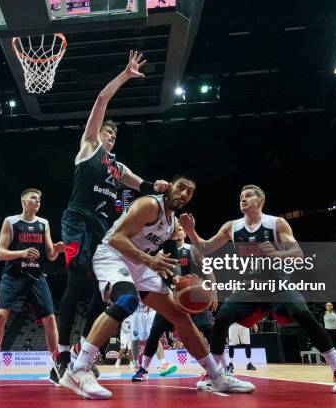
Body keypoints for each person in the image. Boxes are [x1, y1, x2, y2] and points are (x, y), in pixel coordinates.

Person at [59, 175, 255, 399]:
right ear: (170, 187)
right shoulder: (150, 205)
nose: (183, 194)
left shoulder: (173, 224)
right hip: (113, 257)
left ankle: (216, 375)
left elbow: (170, 262)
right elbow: (115, 238)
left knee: (180, 316)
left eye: (189, 192)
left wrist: (176, 281)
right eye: (180, 187)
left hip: (141, 265)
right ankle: (77, 369)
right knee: (127, 300)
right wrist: (150, 260)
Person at [56, 50, 170, 379]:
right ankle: (62, 355)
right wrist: (125, 75)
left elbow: (141, 183)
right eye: (109, 132)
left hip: (101, 227)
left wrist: (157, 185)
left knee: (103, 290)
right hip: (77, 219)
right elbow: (102, 98)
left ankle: (83, 352)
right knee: (77, 279)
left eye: (115, 134)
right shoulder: (90, 146)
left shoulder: (116, 166)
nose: (112, 136)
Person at [180, 184, 336, 394]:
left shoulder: (275, 223)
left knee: (302, 313)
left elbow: (297, 253)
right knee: (222, 317)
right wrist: (190, 230)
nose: (243, 199)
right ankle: (214, 374)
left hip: (277, 286)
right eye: (241, 197)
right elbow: (206, 247)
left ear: (261, 201)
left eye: (248, 196)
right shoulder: (232, 227)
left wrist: (276, 254)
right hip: (249, 289)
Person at [0, 188, 65, 386]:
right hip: (13, 276)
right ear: (23, 201)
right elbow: (0, 254)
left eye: (39, 199)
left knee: (50, 318)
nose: (37, 201)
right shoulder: (10, 222)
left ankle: (55, 365)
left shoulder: (43, 223)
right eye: (33, 198)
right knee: (0, 315)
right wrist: (22, 253)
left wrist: (57, 250)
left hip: (36, 276)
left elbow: (50, 255)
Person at [134, 224, 218, 380]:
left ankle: (222, 365)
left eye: (180, 229)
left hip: (193, 298)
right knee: (155, 332)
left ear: (184, 233)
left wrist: (213, 291)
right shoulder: (162, 252)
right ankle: (143, 369)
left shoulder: (192, 250)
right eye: (175, 229)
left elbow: (209, 270)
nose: (177, 231)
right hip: (170, 298)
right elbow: (154, 274)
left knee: (207, 328)